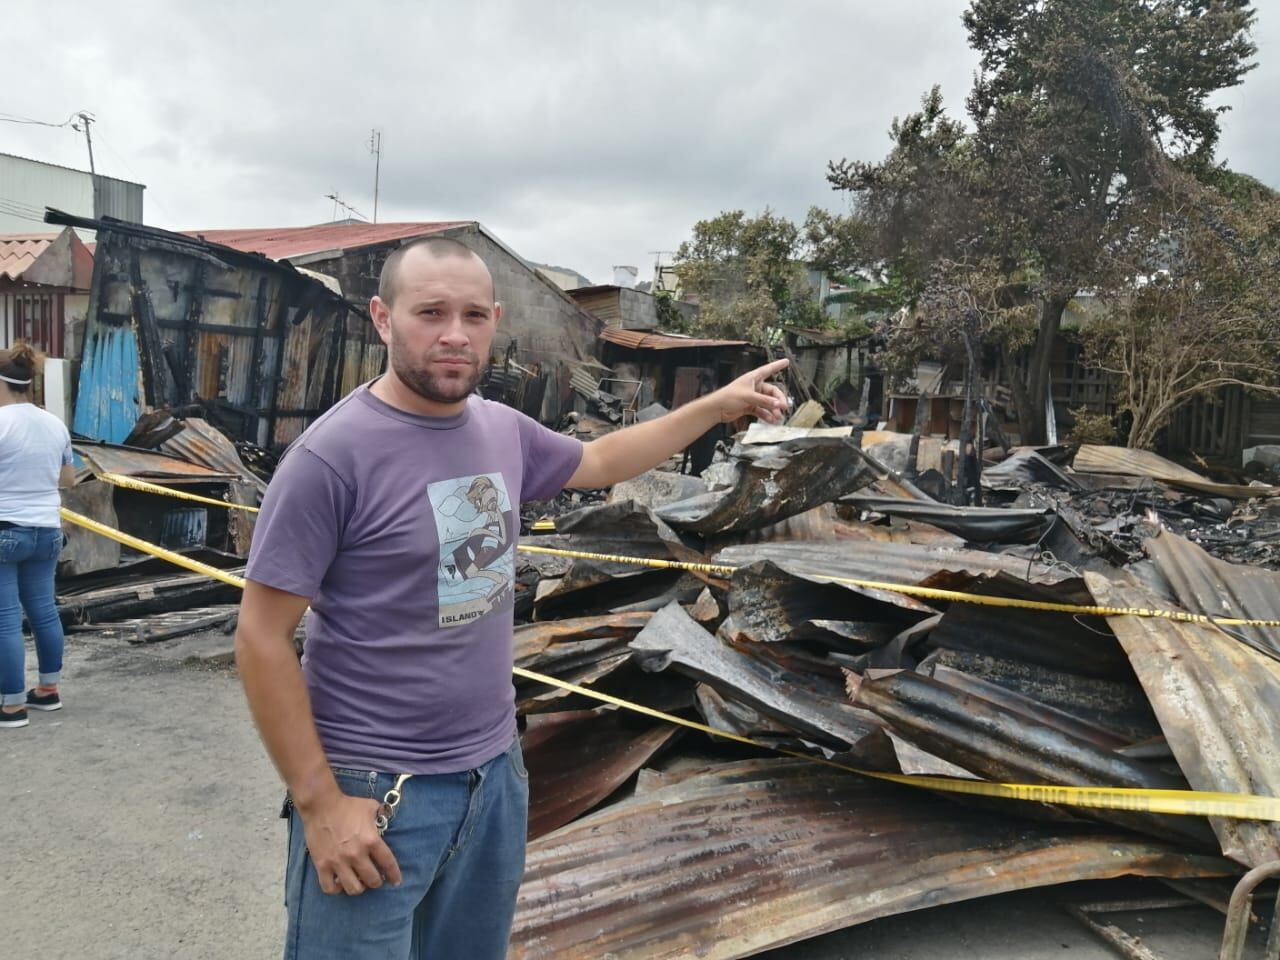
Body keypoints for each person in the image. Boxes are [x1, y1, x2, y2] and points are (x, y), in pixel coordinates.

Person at [234, 237, 789, 960]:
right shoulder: (330, 459)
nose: (454, 335)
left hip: (492, 778)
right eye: (430, 312)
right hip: (373, 789)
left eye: (473, 315)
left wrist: (715, 406)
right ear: (383, 317)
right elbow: (261, 637)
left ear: (496, 320)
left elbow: (599, 459)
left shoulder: (499, 429)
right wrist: (319, 802)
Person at [0, 342, 74, 730]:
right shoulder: (54, 424)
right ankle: (48, 690)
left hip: (5, 531)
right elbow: (68, 479)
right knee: (44, 611)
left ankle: (11, 707)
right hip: (47, 530)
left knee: (5, 619)